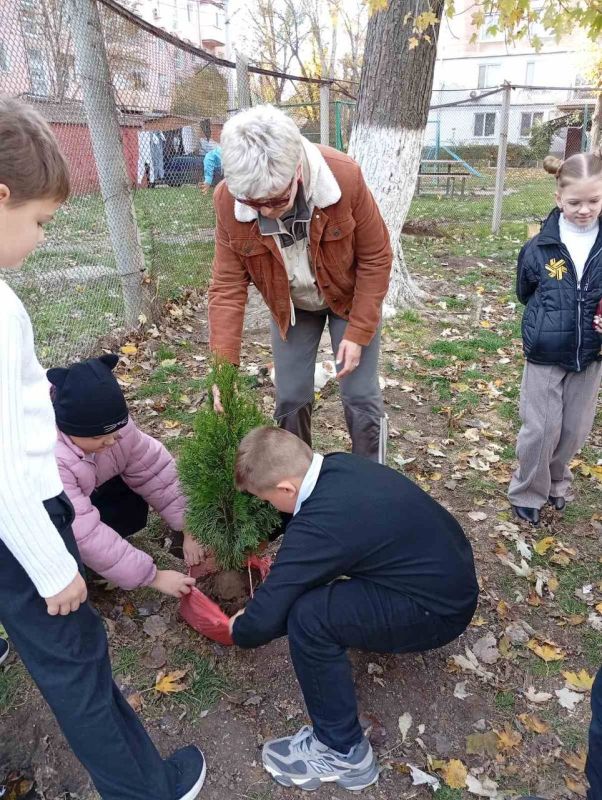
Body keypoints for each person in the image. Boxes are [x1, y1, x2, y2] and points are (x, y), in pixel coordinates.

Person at [0, 96, 205, 800]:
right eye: (40, 222)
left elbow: (152, 466)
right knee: (77, 663)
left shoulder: (119, 436)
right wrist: (56, 566)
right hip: (23, 521)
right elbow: (5, 472)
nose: (42, 240)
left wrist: (187, 525)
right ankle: (144, 790)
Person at [230, 426, 479, 792]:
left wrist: (240, 626)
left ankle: (342, 751)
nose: (268, 507)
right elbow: (301, 516)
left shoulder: (322, 526)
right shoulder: (337, 467)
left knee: (310, 618)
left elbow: (262, 622)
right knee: (318, 599)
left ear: (285, 489)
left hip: (437, 612)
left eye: (266, 500)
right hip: (447, 578)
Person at [208, 104, 392, 463]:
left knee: (360, 394)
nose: (266, 212)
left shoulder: (344, 177)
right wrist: (223, 370)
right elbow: (227, 288)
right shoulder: (227, 202)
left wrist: (357, 333)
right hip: (290, 304)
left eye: (276, 200)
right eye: (253, 203)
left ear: (297, 172)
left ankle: (374, 479)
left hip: (348, 299)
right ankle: (297, 482)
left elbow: (376, 257)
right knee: (290, 396)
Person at [49, 354, 204, 596]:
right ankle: (76, 572)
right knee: (69, 540)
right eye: (98, 438)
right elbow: (84, 532)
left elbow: (158, 475)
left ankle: (111, 556)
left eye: (116, 432)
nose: (111, 442)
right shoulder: (52, 460)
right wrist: (152, 576)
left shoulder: (118, 433)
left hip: (89, 490)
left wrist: (190, 526)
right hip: (48, 516)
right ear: (68, 430)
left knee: (130, 496)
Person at [508, 151, 602, 525]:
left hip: (591, 352)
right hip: (546, 350)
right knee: (541, 428)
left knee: (575, 429)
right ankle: (527, 490)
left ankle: (557, 482)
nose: (584, 210)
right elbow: (524, 289)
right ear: (558, 198)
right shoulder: (539, 246)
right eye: (575, 202)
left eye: (594, 201)